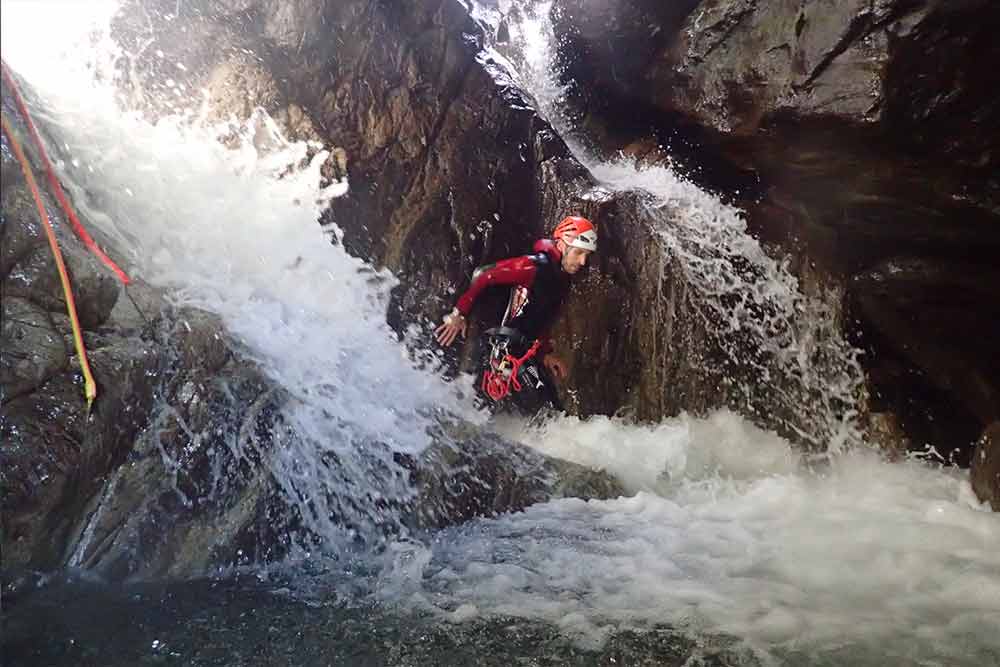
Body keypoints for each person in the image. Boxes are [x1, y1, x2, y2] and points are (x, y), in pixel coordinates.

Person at [435, 215, 597, 413]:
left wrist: (545, 353)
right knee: (548, 412)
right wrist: (459, 313)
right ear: (562, 246)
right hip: (503, 349)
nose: (582, 261)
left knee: (550, 410)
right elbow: (484, 274)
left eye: (587, 255)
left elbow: (540, 316)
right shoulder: (534, 266)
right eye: (579, 253)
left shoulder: (561, 277)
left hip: (523, 352)